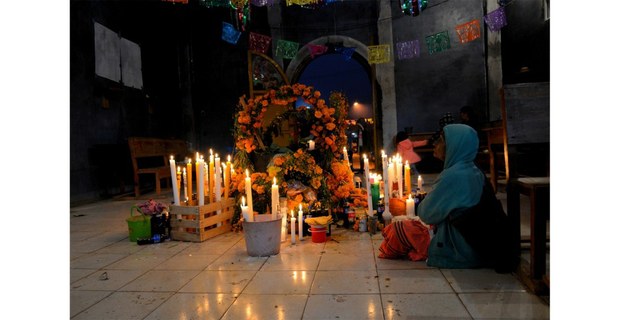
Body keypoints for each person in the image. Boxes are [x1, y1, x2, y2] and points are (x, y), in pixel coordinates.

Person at [417, 124, 518, 272]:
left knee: (401, 231)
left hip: (462, 251)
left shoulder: (454, 175)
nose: (435, 144)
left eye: (440, 140)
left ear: (455, 145)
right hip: (481, 247)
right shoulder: (473, 170)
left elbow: (426, 214)